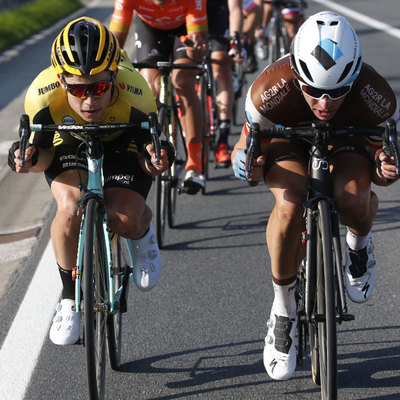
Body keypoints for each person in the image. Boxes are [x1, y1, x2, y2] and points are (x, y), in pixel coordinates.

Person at [231, 11, 399, 380]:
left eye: (338, 91)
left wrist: (387, 169)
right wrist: (245, 162)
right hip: (288, 140)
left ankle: (359, 243)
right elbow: (244, 148)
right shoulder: (268, 89)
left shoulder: (378, 96)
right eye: (313, 89)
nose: (324, 103)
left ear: (354, 76)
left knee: (355, 198)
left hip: (348, 140)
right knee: (289, 202)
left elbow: (384, 168)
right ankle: (283, 308)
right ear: (296, 72)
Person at [8, 17, 173, 345]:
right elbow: (41, 157)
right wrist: (24, 158)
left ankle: (142, 230)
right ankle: (70, 299)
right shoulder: (41, 96)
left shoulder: (136, 92)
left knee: (123, 217)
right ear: (60, 80)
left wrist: (156, 160)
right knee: (69, 211)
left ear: (114, 75)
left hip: (122, 141)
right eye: (77, 89)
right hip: (68, 145)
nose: (89, 100)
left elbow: (147, 158)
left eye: (98, 87)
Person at [110, 0, 209, 194]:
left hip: (184, 29)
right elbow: (114, 44)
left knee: (183, 81)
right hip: (150, 29)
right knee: (149, 87)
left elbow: (199, 51)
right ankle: (151, 147)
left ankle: (195, 164)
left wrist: (196, 48)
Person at [207, 0, 244, 168]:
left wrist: (235, 40)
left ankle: (223, 137)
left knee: (221, 64)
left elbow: (235, 8)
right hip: (188, 11)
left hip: (219, 12)